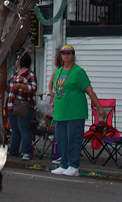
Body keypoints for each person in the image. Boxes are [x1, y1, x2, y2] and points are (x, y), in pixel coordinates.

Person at [49, 45, 106, 177]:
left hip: (75, 112)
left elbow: (89, 90)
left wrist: (99, 107)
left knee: (73, 139)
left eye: (69, 53)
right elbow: (56, 88)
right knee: (61, 139)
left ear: (73, 55)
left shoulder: (78, 72)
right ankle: (64, 164)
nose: (66, 56)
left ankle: (73, 165)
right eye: (63, 53)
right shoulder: (58, 72)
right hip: (60, 112)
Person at [6, 52, 38, 160]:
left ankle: (27, 152)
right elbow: (9, 87)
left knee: (24, 129)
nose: (16, 62)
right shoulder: (15, 74)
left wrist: (21, 86)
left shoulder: (30, 74)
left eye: (18, 59)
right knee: (14, 129)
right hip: (12, 104)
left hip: (24, 104)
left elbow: (33, 88)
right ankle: (13, 151)